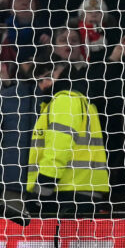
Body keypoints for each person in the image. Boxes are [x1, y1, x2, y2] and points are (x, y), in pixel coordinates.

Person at [25, 59, 109, 216]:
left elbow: (58, 150)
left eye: (50, 75)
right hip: (80, 190)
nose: (44, 82)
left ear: (65, 75)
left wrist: (40, 193)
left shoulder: (65, 100)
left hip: (66, 194)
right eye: (41, 78)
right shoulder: (81, 101)